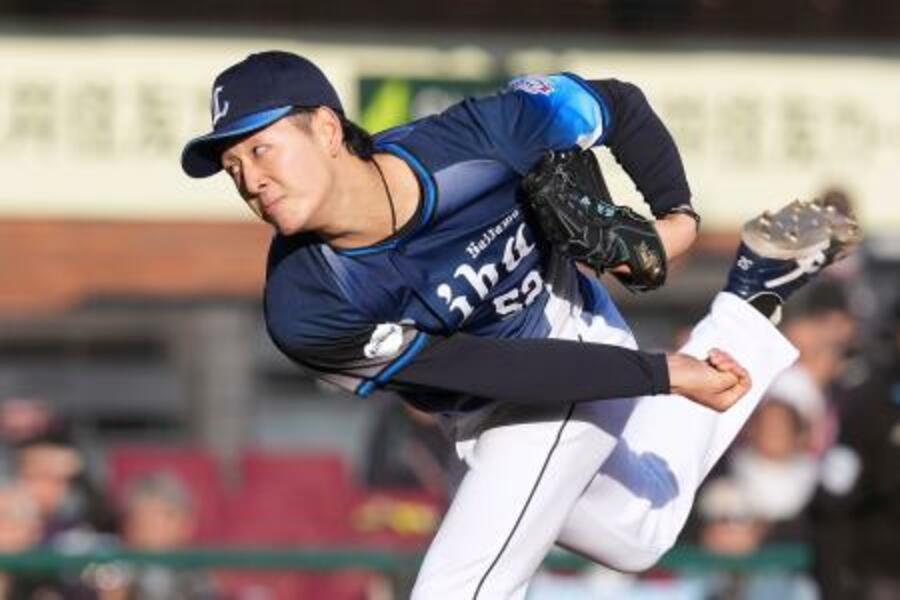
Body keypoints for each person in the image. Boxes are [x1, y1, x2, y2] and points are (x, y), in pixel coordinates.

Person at [180, 51, 860, 598]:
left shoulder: (477, 138)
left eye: (262, 149)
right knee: (639, 532)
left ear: (327, 130)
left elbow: (618, 103)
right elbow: (483, 369)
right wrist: (661, 373)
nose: (249, 179)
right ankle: (751, 295)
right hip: (503, 394)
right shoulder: (306, 304)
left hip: (574, 337)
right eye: (233, 167)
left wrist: (674, 222)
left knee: (456, 589)